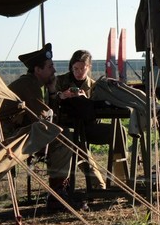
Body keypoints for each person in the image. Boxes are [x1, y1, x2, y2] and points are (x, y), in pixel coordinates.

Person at [0, 43, 74, 212]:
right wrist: (54, 94)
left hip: (15, 132)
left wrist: (52, 92)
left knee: (60, 136)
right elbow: (44, 119)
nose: (54, 71)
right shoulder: (29, 85)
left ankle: (59, 191)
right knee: (63, 139)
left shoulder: (32, 84)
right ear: (38, 70)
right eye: (50, 67)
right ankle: (57, 195)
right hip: (6, 136)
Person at [55, 50, 128, 190]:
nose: (79, 72)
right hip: (67, 127)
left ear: (89, 67)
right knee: (77, 141)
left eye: (82, 68)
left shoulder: (95, 86)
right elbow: (49, 105)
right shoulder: (60, 82)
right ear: (71, 67)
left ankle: (122, 180)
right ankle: (98, 184)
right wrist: (61, 96)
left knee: (119, 131)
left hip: (89, 126)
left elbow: (99, 113)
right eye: (75, 68)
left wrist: (86, 101)